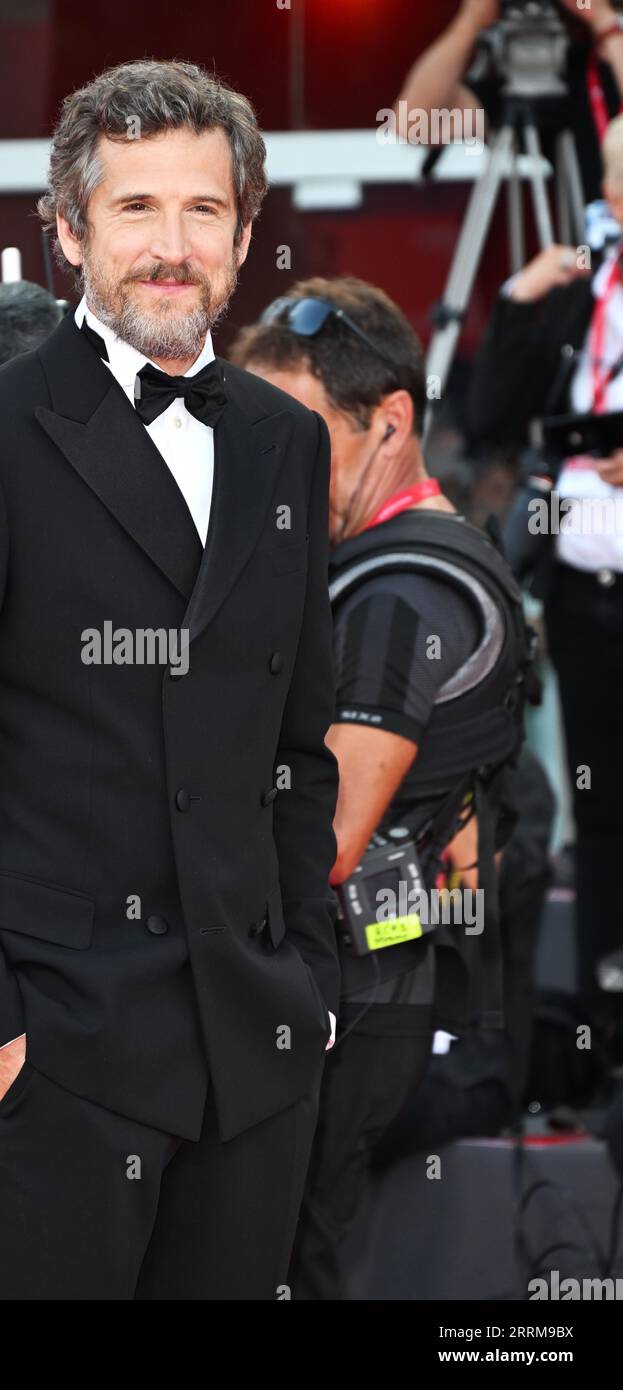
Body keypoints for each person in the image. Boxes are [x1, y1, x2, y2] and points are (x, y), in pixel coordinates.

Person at [0, 57, 340, 1301]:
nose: (173, 247)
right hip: (63, 1058)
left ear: (243, 232)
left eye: (204, 210)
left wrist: (310, 986)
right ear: (67, 232)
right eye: (135, 209)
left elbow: (299, 745)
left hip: (258, 1052)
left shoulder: (287, 443)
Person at [230, 275, 534, 1299]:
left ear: (390, 422)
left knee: (280, 1256)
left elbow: (326, 843)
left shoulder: (403, 594)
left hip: (358, 993)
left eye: (296, 432)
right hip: (367, 981)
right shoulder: (389, 568)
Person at [468, 112, 623, 1038]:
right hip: (582, 587)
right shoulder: (578, 281)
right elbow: (492, 416)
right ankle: (609, 1037)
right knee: (600, 816)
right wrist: (520, 306)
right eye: (616, 180)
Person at [396, 0, 623, 204]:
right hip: (585, 251)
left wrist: (605, 22)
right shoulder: (563, 73)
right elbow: (414, 123)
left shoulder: (598, 66)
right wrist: (471, 22)